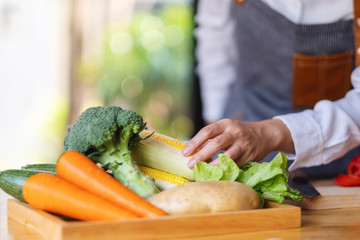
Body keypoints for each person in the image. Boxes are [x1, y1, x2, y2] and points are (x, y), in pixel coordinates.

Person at [182, 0, 360, 179]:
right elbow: (215, 32)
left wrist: (268, 134)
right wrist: (214, 125)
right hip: (243, 126)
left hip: (342, 161)